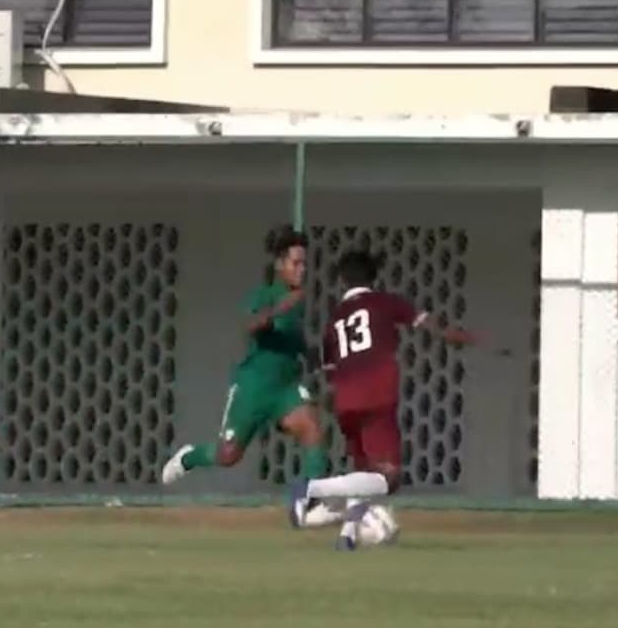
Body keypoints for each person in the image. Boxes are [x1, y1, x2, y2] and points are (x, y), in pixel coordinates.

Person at [289, 250, 479, 549]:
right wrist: (464, 337)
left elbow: (329, 370)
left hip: (344, 400)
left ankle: (347, 536)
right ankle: (312, 488)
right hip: (377, 394)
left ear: (342, 281)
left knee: (364, 474)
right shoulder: (385, 302)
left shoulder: (335, 319)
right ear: (373, 278)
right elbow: (433, 327)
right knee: (389, 477)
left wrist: (330, 402)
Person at [162, 224, 329, 526]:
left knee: (313, 429)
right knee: (228, 455)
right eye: (296, 263)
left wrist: (312, 356)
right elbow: (251, 326)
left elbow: (294, 337)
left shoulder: (296, 300)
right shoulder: (264, 295)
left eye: (305, 263)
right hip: (253, 386)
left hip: (285, 388)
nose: (302, 269)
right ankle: (189, 457)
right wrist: (278, 308)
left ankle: (309, 501)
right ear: (279, 264)